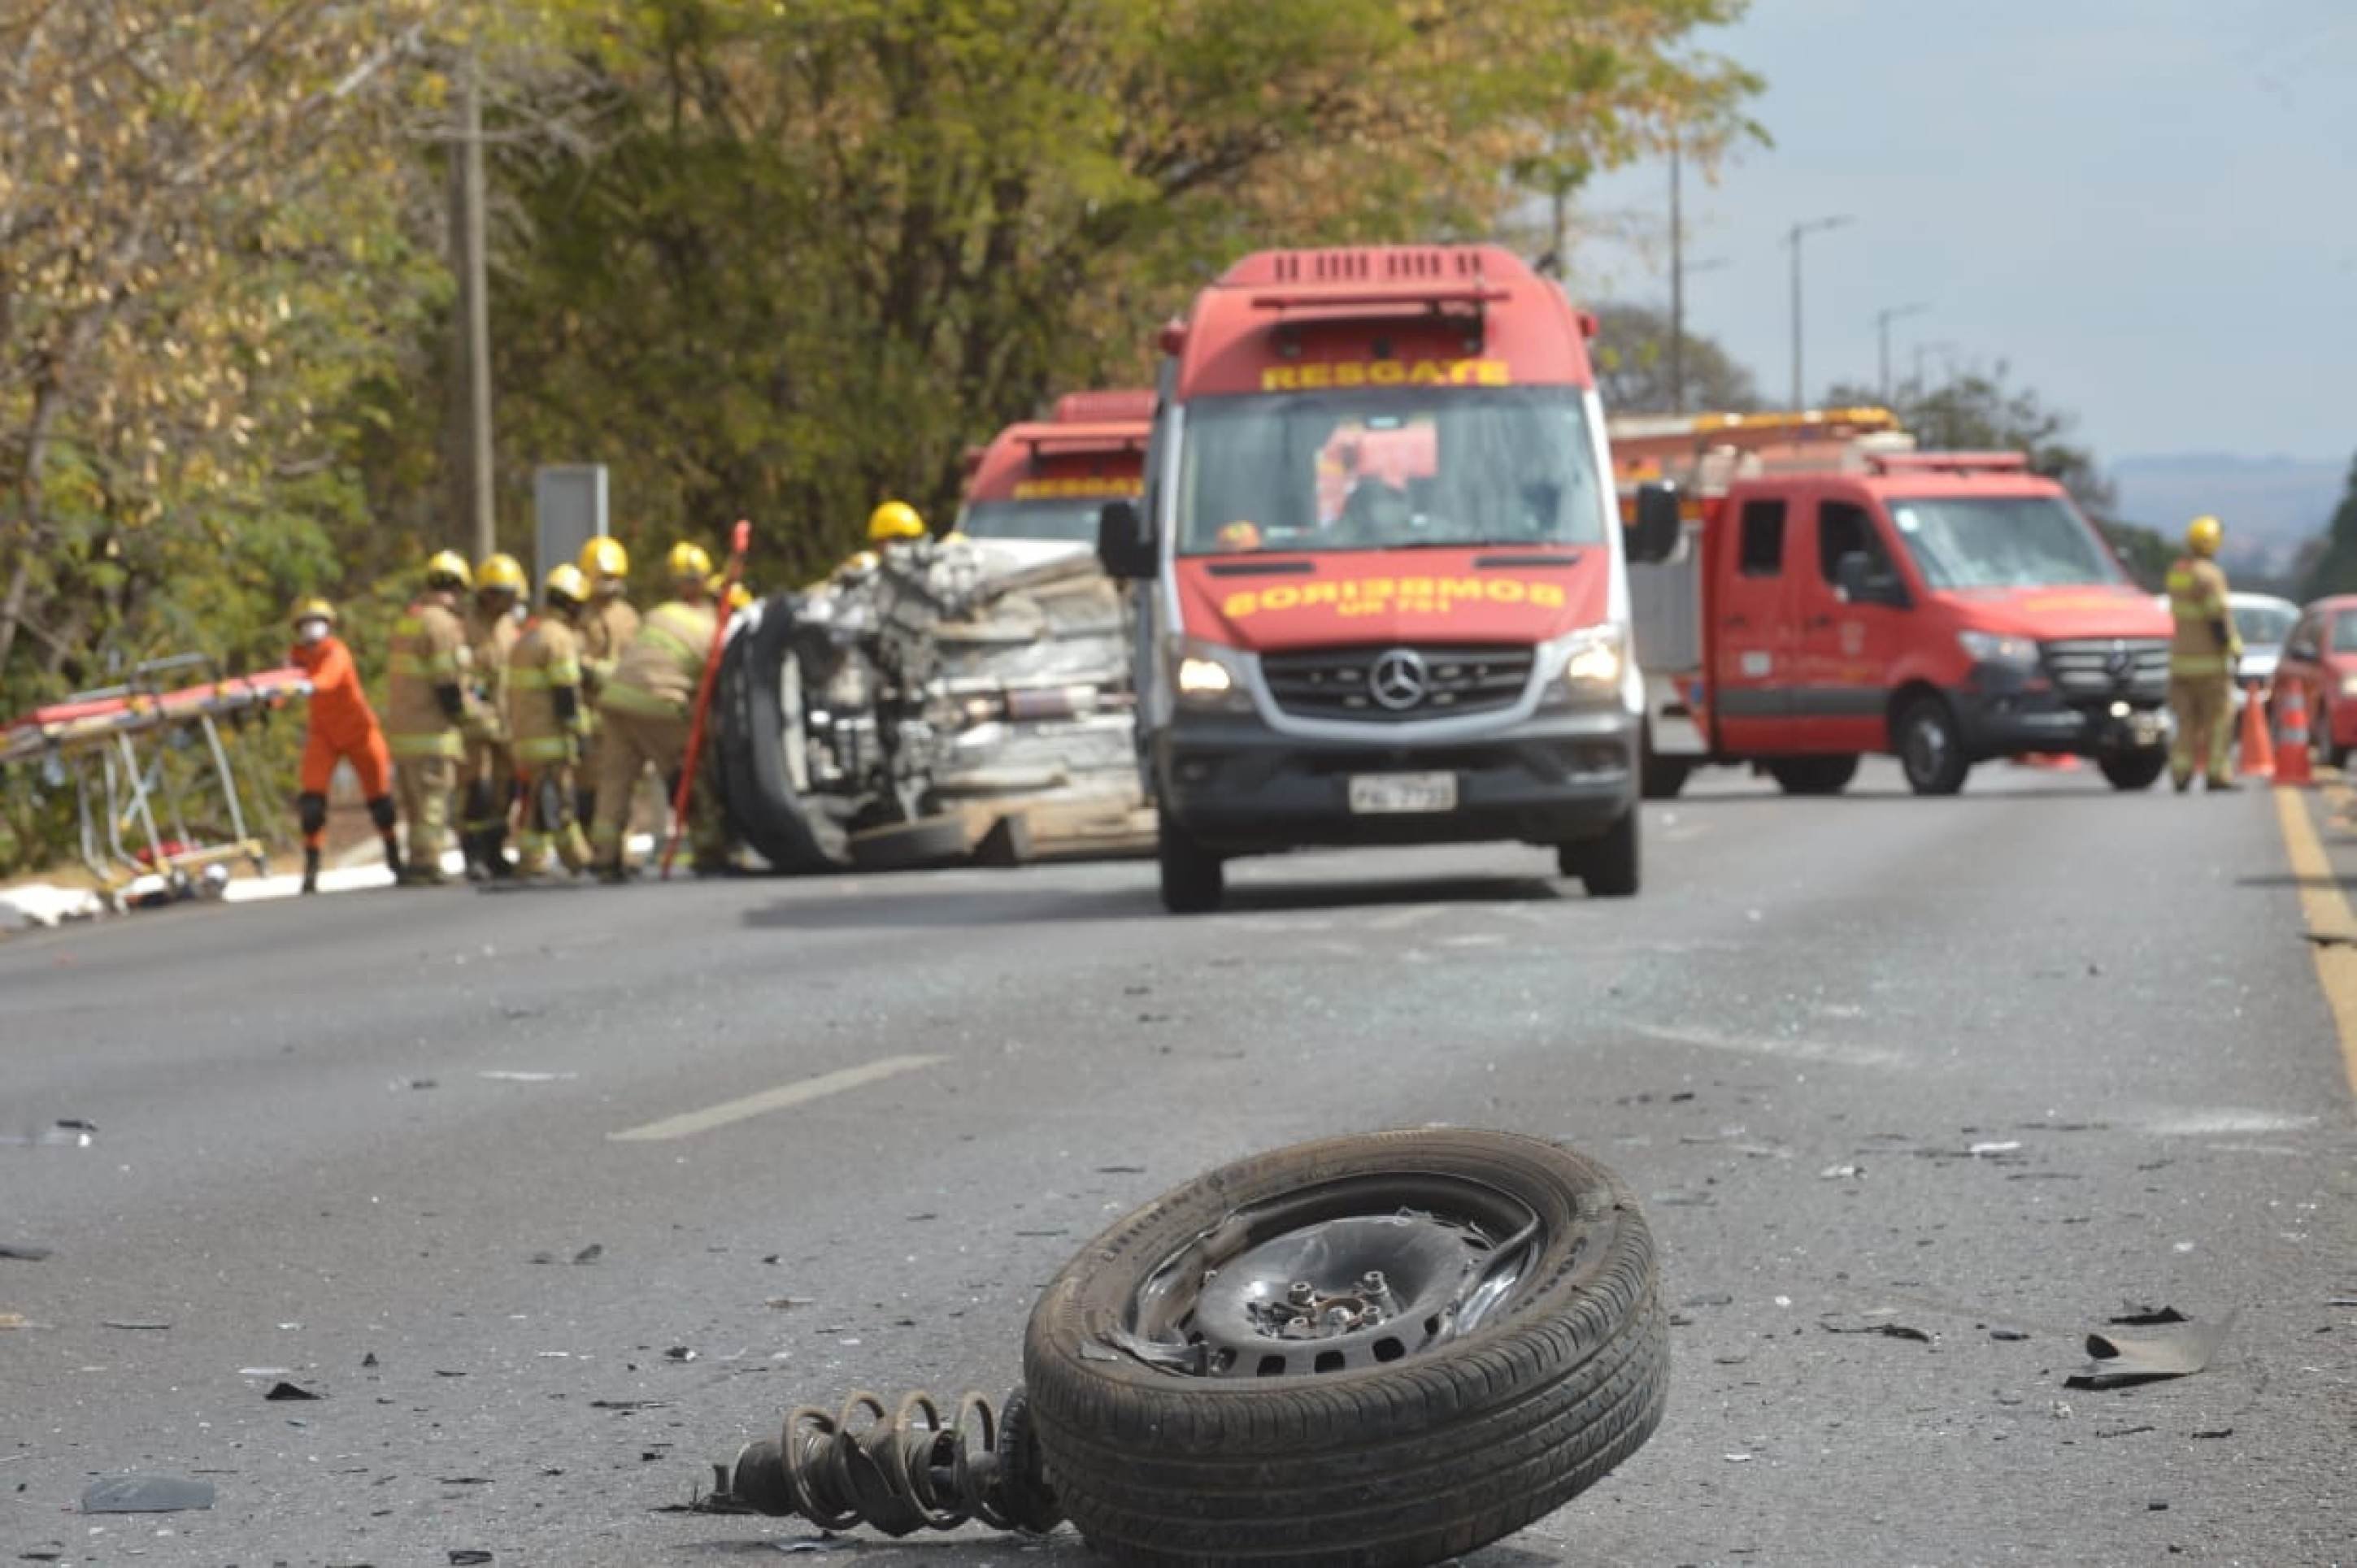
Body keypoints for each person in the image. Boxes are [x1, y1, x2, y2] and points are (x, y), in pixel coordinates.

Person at [587, 541, 725, 880]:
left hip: (616, 699)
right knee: (689, 771)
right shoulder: (714, 632)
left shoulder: (658, 613)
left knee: (616, 781)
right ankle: (709, 848)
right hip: (658, 702)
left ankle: (605, 858)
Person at [385, 551, 493, 884]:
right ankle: (425, 863)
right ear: (458, 589)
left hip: (402, 731)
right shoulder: (442, 625)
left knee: (415, 804)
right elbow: (447, 685)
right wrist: (469, 717)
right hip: (430, 732)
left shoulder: (408, 620)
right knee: (433, 802)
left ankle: (418, 858)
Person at [286, 598, 401, 893]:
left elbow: (328, 679)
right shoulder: (297, 657)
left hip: (359, 731)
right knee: (311, 804)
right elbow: (283, 684)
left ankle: (394, 854)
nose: (311, 628)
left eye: (317, 621)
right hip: (324, 734)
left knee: (380, 801)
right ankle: (311, 868)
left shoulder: (336, 652)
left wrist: (305, 683)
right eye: (306, 622)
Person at [507, 564, 594, 877]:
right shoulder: (559, 639)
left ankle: (530, 860)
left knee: (535, 805)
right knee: (561, 802)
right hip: (550, 741)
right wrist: (581, 734)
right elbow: (566, 695)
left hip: (524, 738)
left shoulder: (528, 636)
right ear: (572, 604)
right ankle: (578, 858)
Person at [459, 551, 527, 878]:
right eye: (498, 594)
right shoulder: (466, 626)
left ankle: (495, 850)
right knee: (477, 787)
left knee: (507, 786)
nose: (504, 601)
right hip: (475, 721)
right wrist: (479, 711)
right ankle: (472, 854)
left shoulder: (509, 626)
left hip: (507, 718)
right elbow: (463, 678)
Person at [2166, 514, 2242, 793]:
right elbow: (2217, 618)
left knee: (2185, 721)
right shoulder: (2210, 575)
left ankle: (2181, 771)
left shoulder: (2178, 572)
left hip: (2180, 664)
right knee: (2219, 719)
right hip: (2210, 666)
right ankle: (2216, 773)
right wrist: (2232, 647)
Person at [574, 536, 640, 832]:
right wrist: (600, 672)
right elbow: (571, 659)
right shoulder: (579, 615)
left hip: (624, 714)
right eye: (603, 578)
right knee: (589, 785)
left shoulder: (629, 616)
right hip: (590, 714)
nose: (609, 586)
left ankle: (618, 847)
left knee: (623, 784)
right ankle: (595, 847)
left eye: (614, 578)